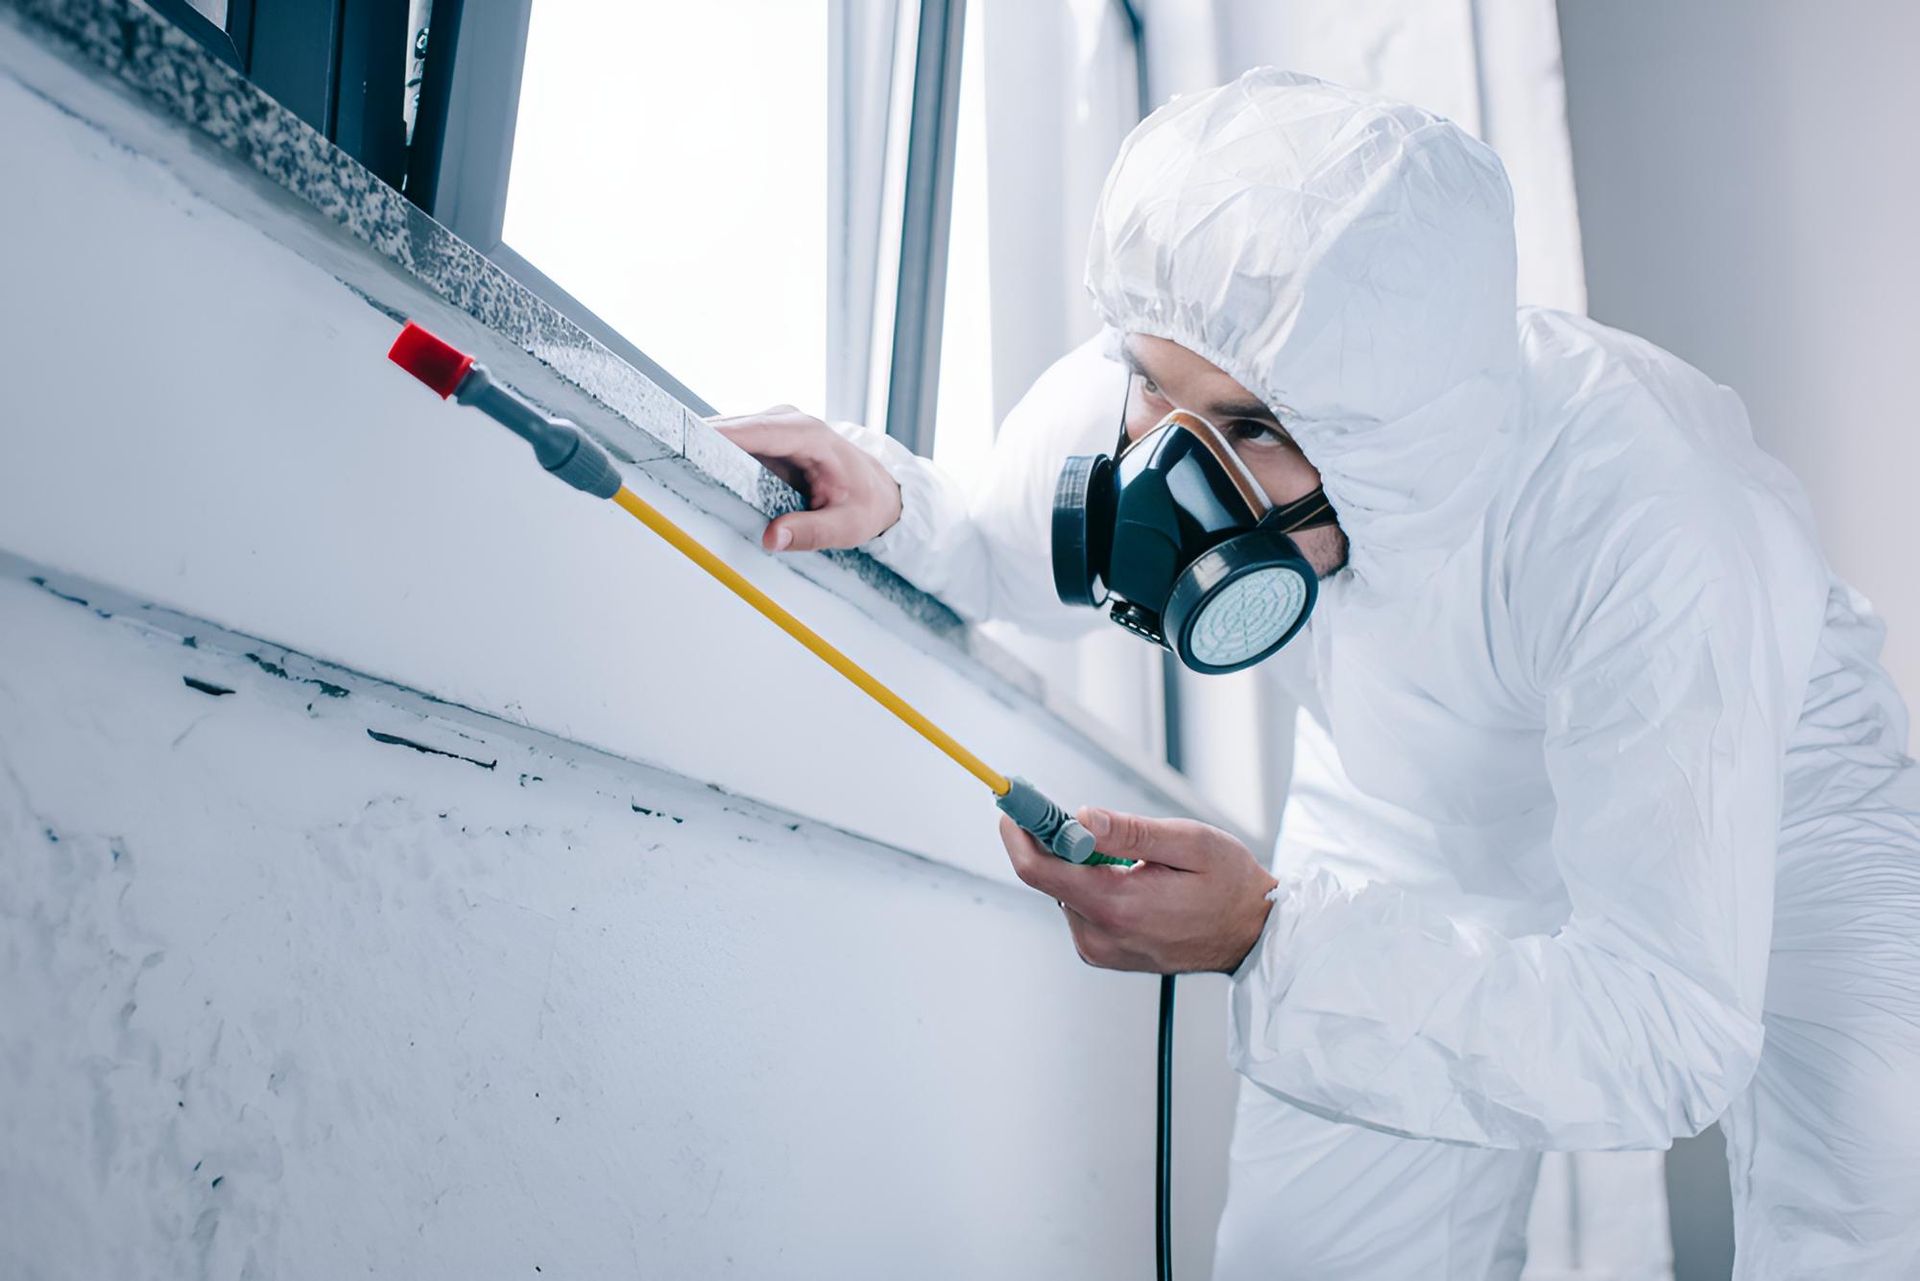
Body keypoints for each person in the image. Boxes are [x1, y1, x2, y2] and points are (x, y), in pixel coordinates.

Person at [719, 70, 1920, 1279]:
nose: (1167, 468)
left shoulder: (1652, 520)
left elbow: (1667, 1031)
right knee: (1310, 1256)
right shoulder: (1180, 350)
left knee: (1872, 1205)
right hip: (1412, 803)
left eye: (1250, 429)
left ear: (1382, 442)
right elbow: (993, 541)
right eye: (1152, 387)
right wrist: (890, 503)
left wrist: (1265, 936)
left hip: (1769, 805)